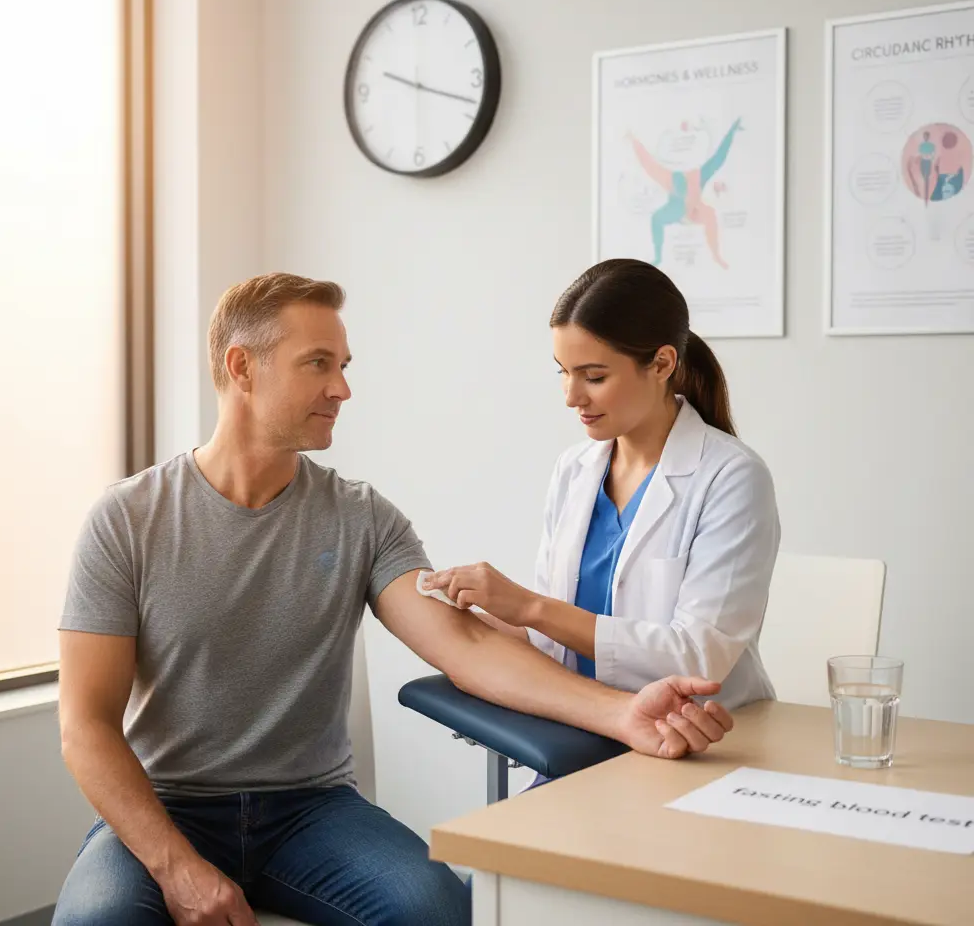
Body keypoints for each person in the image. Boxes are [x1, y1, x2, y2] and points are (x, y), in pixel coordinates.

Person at [52, 272, 737, 926]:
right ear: (242, 367)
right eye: (318, 364)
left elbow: (465, 646)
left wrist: (624, 715)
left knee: (442, 910)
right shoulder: (127, 520)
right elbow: (86, 726)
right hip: (168, 805)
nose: (343, 388)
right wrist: (177, 868)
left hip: (309, 811)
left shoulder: (360, 518)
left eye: (344, 364)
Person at [424, 259, 778, 716]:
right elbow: (559, 638)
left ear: (662, 363)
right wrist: (479, 616)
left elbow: (697, 657)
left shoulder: (731, 477)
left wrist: (528, 606)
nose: (572, 397)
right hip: (587, 721)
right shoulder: (574, 469)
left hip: (694, 735)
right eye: (563, 372)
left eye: (594, 376)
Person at [626, 119, 742, 268]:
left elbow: (719, 157)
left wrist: (732, 131)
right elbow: (648, 163)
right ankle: (658, 256)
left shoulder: (699, 174)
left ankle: (716, 255)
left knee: (710, 214)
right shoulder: (671, 177)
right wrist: (633, 141)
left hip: (694, 211)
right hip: (675, 211)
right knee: (656, 218)